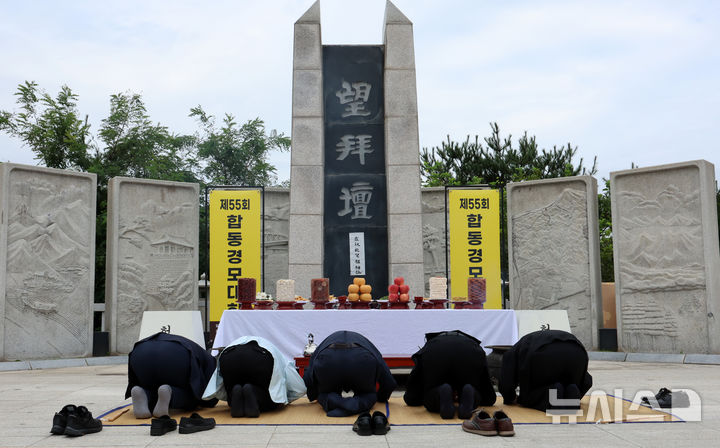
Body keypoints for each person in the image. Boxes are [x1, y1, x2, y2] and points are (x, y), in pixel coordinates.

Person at [202, 335, 306, 417]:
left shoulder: (239, 342)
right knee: (267, 394)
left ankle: (234, 397)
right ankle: (253, 394)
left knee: (233, 386)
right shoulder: (276, 353)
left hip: (229, 355)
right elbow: (299, 388)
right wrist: (284, 399)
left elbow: (219, 378)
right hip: (262, 358)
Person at [403, 330, 496, 419]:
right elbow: (487, 388)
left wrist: (412, 398)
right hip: (470, 351)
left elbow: (415, 383)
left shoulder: (430, 345)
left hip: (435, 351)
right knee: (472, 388)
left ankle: (440, 391)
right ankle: (470, 392)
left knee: (431, 392)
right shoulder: (473, 345)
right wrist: (487, 398)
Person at [303, 330, 397, 417]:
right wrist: (381, 397)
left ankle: (332, 400)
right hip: (362, 360)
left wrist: (315, 394)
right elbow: (388, 380)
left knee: (324, 395)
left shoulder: (324, 344)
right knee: (369, 395)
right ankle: (355, 404)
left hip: (328, 360)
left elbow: (308, 377)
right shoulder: (366, 344)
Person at [126, 332, 218, 418]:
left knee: (151, 386)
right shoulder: (210, 360)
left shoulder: (195, 348)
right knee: (192, 395)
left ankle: (143, 392)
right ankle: (170, 393)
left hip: (140, 352)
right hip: (176, 354)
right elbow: (209, 394)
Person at [499, 329, 593, 412]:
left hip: (542, 354)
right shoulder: (527, 342)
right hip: (577, 351)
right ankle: (571, 392)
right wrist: (579, 390)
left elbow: (506, 379)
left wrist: (510, 398)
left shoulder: (512, 352)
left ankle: (552, 398)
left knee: (528, 397)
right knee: (568, 385)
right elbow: (587, 380)